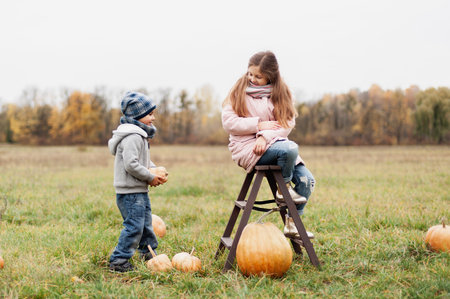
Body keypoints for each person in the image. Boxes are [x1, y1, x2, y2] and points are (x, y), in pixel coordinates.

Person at [221, 51, 315, 239]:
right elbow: (229, 123)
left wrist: (264, 136)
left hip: (277, 145)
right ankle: (284, 190)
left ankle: (292, 222)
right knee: (290, 148)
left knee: (307, 180)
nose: (252, 79)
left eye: (258, 76)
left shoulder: (282, 93)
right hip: (248, 147)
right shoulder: (239, 91)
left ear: (271, 77)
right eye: (250, 74)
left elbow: (287, 124)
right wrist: (257, 125)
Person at [108, 91, 168, 272]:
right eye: (150, 114)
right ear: (137, 116)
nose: (153, 118)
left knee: (145, 223)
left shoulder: (139, 134)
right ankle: (118, 261)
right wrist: (150, 177)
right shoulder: (133, 136)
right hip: (130, 192)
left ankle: (148, 252)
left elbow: (141, 162)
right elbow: (131, 164)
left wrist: (155, 169)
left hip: (137, 190)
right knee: (134, 226)